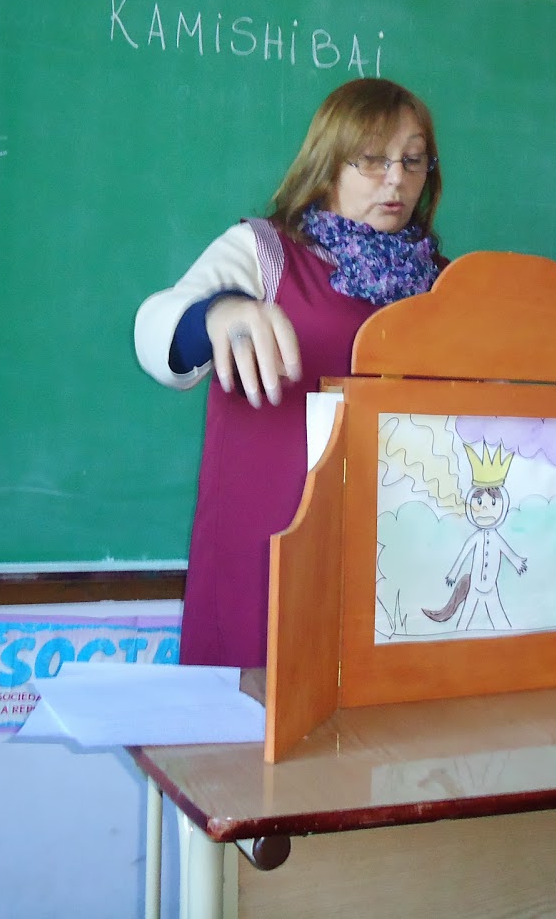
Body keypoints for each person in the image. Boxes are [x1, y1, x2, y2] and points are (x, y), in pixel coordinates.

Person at [135, 78, 446, 668]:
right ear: (329, 164)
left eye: (412, 161)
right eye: (372, 158)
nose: (395, 180)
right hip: (269, 555)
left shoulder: (445, 282)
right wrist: (219, 313)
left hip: (401, 564)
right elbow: (157, 332)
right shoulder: (265, 252)